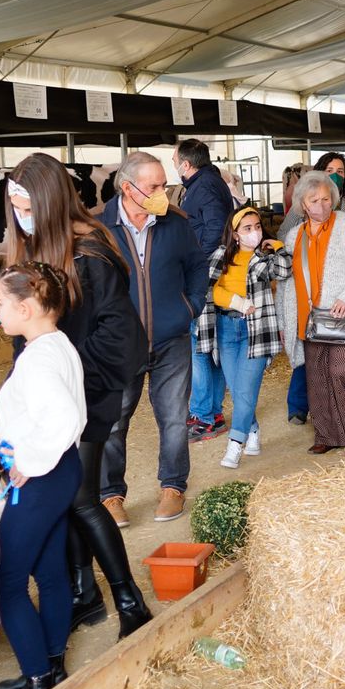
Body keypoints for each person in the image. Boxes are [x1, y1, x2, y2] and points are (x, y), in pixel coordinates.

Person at [4, 153, 150, 642]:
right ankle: (84, 593)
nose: (18, 214)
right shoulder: (38, 252)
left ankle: (130, 600)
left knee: (82, 497)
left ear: (45, 201)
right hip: (54, 395)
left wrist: (63, 375)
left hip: (91, 389)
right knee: (65, 498)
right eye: (13, 204)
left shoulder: (89, 254)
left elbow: (120, 336)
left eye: (24, 204)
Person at [0, 263, 86, 689]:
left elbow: (62, 419)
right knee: (51, 571)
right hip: (60, 471)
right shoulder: (51, 345)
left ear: (25, 306)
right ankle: (51, 665)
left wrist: (26, 461)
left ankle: (37, 678)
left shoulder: (37, 358)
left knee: (7, 579)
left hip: (42, 476)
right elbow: (41, 415)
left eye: (0, 303)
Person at [97, 152, 207, 526]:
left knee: (175, 418)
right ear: (128, 189)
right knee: (113, 421)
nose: (164, 192)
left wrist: (188, 308)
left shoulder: (175, 223)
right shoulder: (99, 228)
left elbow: (197, 266)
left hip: (171, 338)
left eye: (164, 184)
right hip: (118, 345)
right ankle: (110, 495)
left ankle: (173, 487)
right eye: (154, 187)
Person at [278, 171, 345, 454]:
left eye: (326, 199)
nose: (321, 206)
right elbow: (286, 281)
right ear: (302, 204)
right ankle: (325, 433)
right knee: (317, 377)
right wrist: (284, 319)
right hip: (311, 320)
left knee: (343, 371)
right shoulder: (294, 236)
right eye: (314, 200)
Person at [192, 205, 292, 470]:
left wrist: (279, 246)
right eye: (247, 229)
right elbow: (209, 290)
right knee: (237, 391)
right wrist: (237, 301)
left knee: (246, 389)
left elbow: (283, 271)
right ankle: (254, 429)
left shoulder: (264, 257)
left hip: (255, 331)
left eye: (257, 227)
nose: (254, 233)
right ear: (235, 233)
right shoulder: (221, 256)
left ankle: (235, 444)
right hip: (226, 329)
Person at [176, 139, 235, 442]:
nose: (176, 166)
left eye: (176, 161)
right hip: (207, 274)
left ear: (186, 164)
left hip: (203, 277)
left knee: (199, 346)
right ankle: (212, 411)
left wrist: (198, 261)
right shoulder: (207, 181)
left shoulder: (206, 186)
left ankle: (204, 416)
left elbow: (215, 229)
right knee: (208, 346)